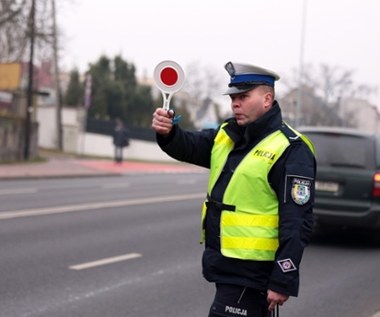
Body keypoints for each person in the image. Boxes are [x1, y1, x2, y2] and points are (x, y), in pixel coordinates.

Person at [151, 61, 316, 317]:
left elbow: (297, 221)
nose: (235, 103)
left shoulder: (291, 149)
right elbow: (190, 145)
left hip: (253, 273)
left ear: (267, 99)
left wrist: (283, 277)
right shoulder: (228, 135)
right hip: (227, 267)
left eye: (243, 97)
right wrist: (169, 132)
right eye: (233, 98)